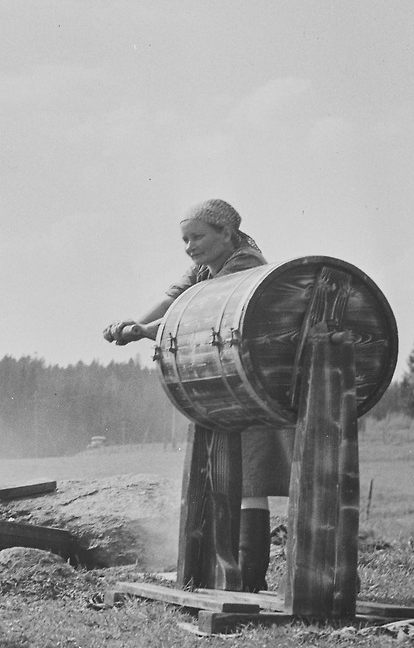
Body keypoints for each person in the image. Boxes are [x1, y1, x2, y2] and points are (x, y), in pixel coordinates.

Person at [102, 198, 290, 589]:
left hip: (258, 380)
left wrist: (146, 331)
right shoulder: (207, 267)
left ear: (226, 233)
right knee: (230, 476)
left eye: (198, 237)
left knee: (252, 478)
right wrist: (133, 323)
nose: (190, 246)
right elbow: (174, 300)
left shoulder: (244, 267)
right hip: (229, 381)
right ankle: (227, 576)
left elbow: (198, 316)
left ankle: (250, 580)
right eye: (185, 239)